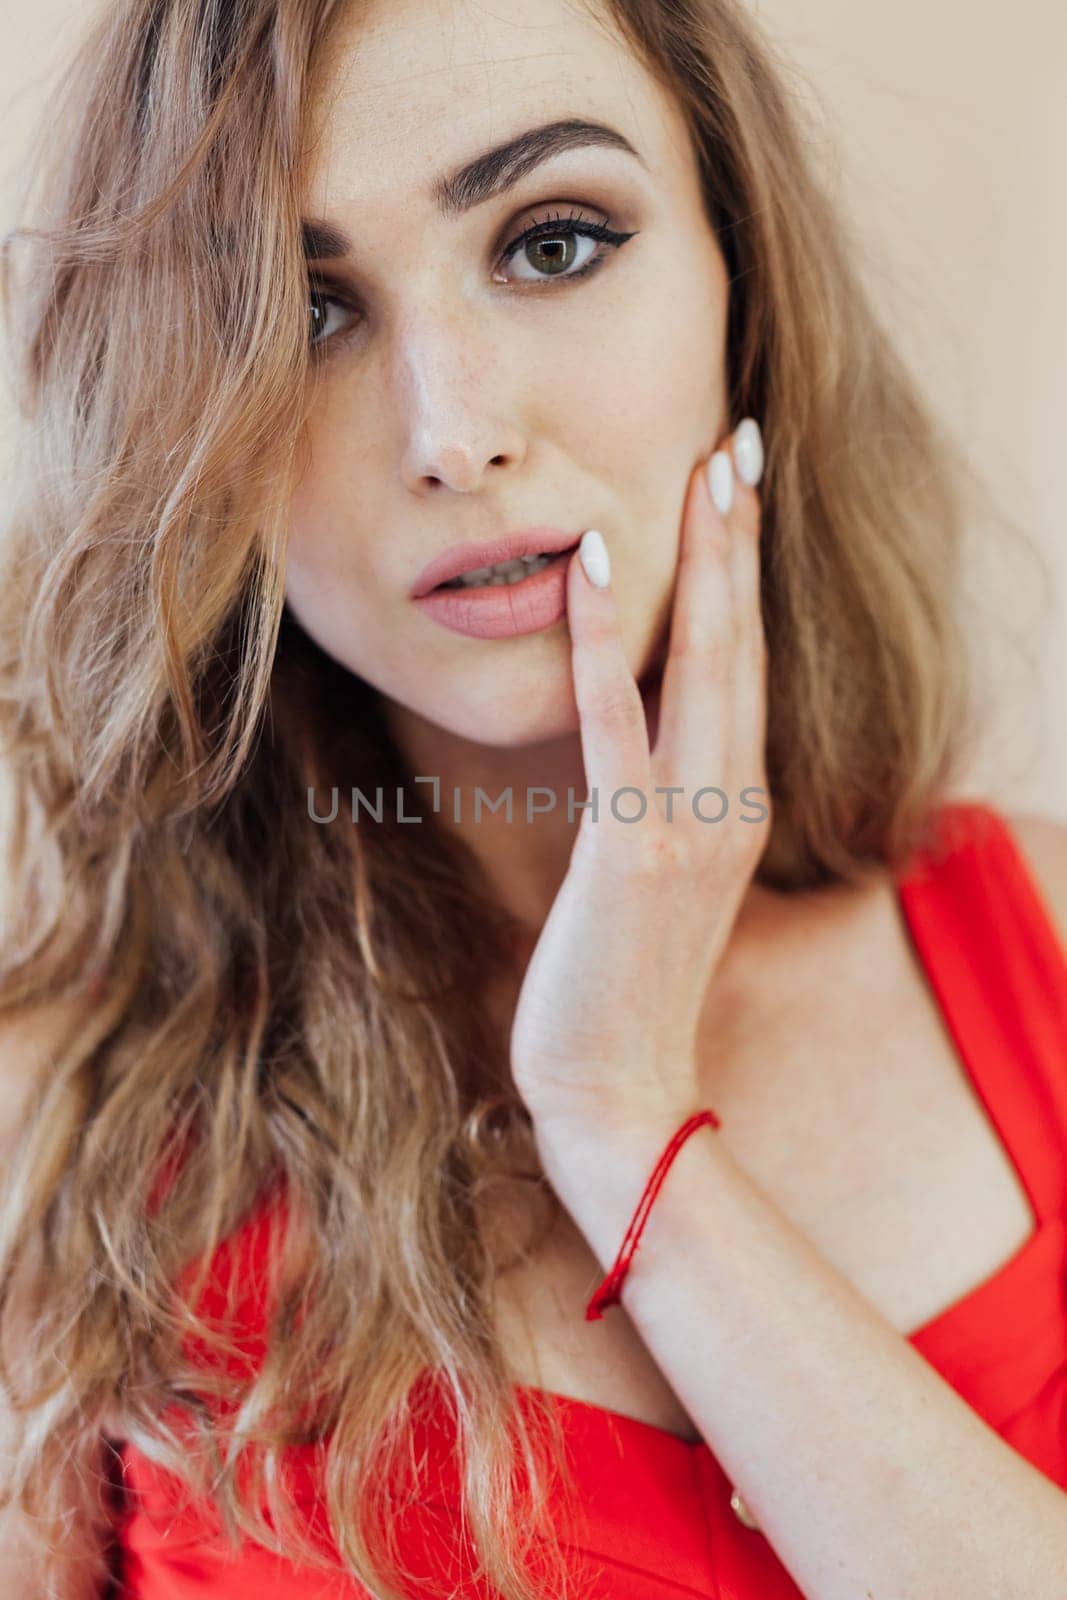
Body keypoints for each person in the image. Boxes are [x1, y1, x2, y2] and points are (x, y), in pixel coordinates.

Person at [1, 0, 1065, 1596]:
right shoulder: (55, 1130)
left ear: (738, 274)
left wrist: (621, 1115)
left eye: (554, 242)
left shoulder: (1047, 938)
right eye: (298, 313)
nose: (456, 434)